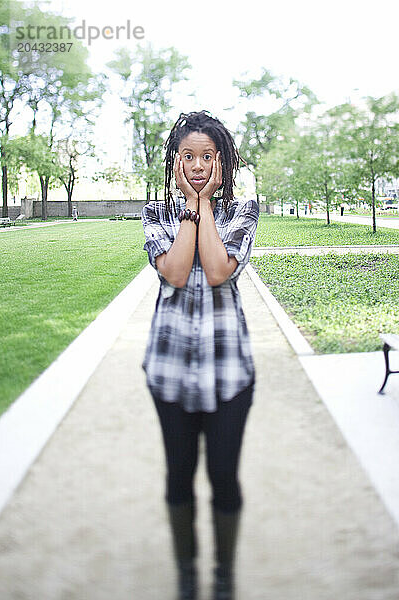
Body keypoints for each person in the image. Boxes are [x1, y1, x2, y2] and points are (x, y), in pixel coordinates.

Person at [141, 110, 259, 600]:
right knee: (178, 475)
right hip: (169, 370)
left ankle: (224, 575)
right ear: (173, 162)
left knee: (225, 477)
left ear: (223, 162)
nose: (196, 165)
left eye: (207, 156)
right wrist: (189, 208)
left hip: (228, 370)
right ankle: (188, 573)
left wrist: (203, 206)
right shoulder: (155, 214)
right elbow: (172, 272)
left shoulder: (243, 212)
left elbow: (216, 271)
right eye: (186, 156)